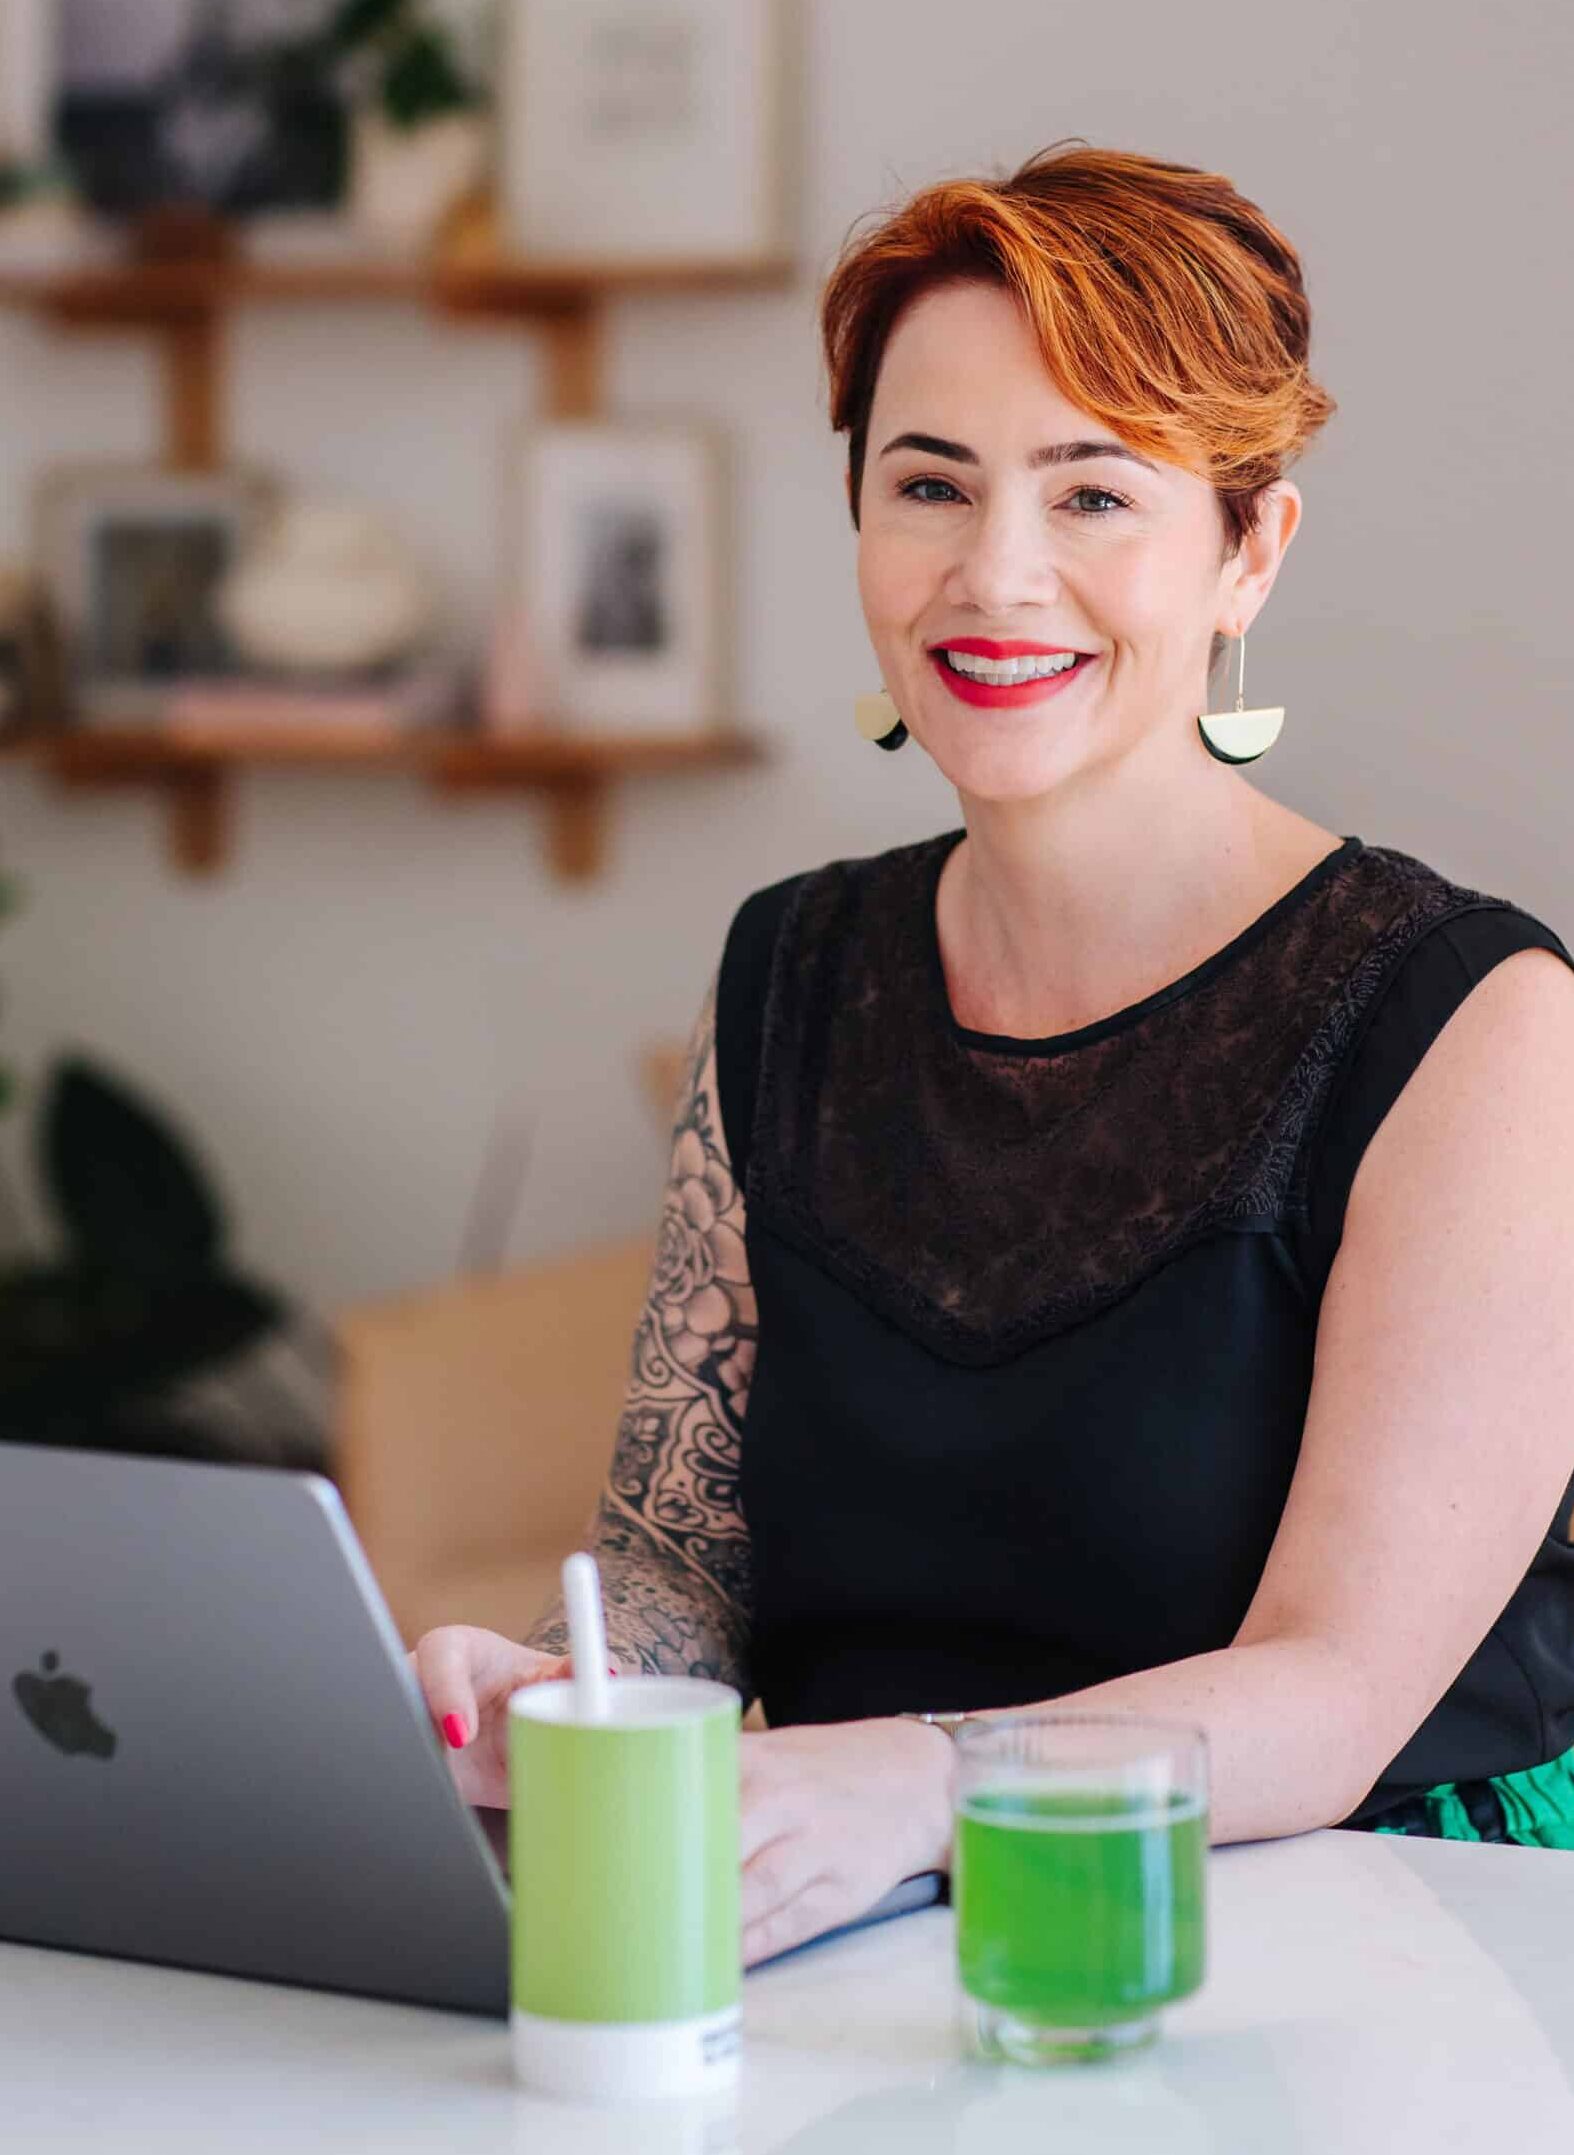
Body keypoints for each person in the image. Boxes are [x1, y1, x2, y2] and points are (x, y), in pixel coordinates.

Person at [413, 143, 1574, 1965]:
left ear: (1246, 550)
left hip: (1386, 1943)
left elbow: (1336, 1692)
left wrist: (910, 1780)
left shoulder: (1472, 1020)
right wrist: (561, 1691)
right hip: (873, 1928)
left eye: (1092, 495)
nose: (995, 574)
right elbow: (676, 1561)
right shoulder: (787, 970)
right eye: (928, 485)